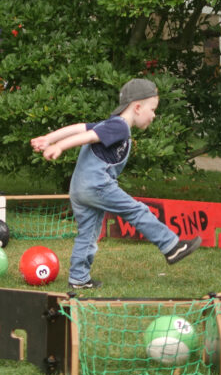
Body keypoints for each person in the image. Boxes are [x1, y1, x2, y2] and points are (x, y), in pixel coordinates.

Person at [30, 79, 202, 289]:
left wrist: (49, 138)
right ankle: (171, 246)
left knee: (88, 234)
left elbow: (78, 128)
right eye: (152, 109)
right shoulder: (119, 126)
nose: (154, 115)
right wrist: (59, 147)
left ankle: (79, 279)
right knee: (137, 211)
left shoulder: (109, 125)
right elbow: (87, 136)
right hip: (97, 186)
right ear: (137, 107)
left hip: (79, 189)